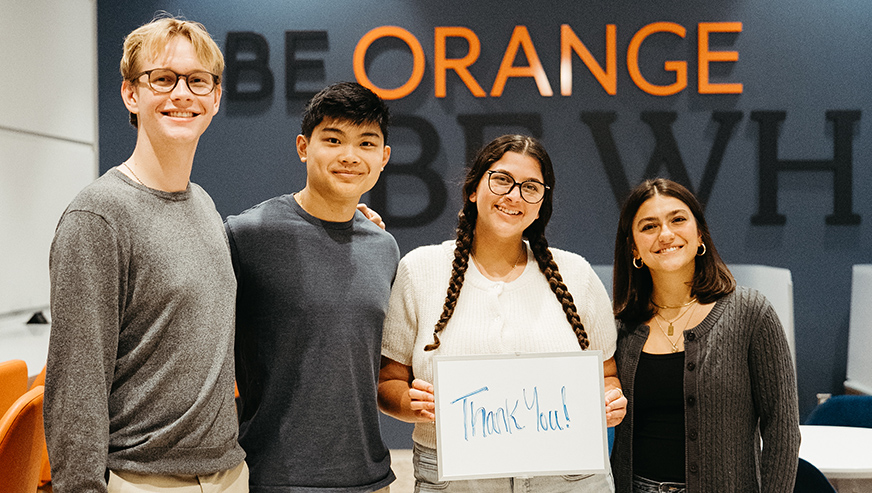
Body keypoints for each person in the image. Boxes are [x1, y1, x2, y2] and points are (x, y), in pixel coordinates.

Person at [45, 15, 248, 493]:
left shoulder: (203, 203)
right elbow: (76, 385)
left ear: (215, 98)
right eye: (163, 78)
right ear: (131, 94)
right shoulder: (98, 215)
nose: (182, 94)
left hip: (226, 475)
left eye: (198, 80)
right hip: (143, 481)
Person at [378, 134, 627, 492]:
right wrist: (409, 404)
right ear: (473, 189)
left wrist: (610, 399)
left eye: (531, 187)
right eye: (502, 180)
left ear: (542, 203)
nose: (514, 196)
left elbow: (607, 375)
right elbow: (389, 382)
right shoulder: (420, 270)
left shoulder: (577, 275)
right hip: (457, 479)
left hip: (569, 477)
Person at [225, 81, 398, 492]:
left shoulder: (384, 246)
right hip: (274, 479)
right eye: (333, 139)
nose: (350, 156)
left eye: (367, 143)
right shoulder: (247, 235)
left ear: (384, 157)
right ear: (304, 147)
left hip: (371, 479)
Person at [609, 178, 800, 493]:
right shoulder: (618, 327)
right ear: (634, 248)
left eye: (678, 219)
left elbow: (782, 428)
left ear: (700, 236)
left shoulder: (749, 312)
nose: (666, 234)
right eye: (648, 226)